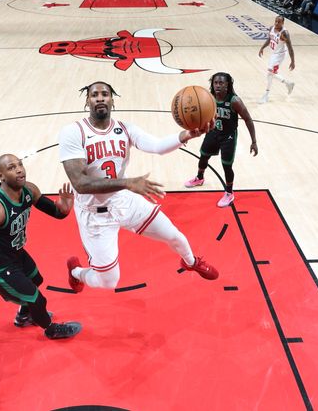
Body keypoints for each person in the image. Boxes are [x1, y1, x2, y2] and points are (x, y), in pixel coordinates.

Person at [58, 81, 219, 293]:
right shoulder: (73, 132)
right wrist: (128, 182)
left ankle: (190, 262)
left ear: (112, 100)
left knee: (174, 235)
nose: (100, 98)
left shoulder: (125, 129)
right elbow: (80, 183)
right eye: (94, 94)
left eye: (105, 94)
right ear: (87, 100)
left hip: (123, 201)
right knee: (109, 283)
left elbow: (157, 146)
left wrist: (187, 135)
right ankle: (76, 272)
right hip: (95, 216)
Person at [0, 154, 82, 341]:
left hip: (14, 254)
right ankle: (51, 329)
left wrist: (64, 208)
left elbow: (56, 212)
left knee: (36, 279)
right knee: (38, 300)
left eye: (19, 164)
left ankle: (24, 316)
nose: (19, 169)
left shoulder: (29, 190)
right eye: (11, 167)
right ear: (1, 176)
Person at [184, 72, 258, 207]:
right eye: (215, 82)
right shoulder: (209, 98)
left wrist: (253, 141)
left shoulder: (234, 101)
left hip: (228, 136)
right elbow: (200, 116)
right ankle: (199, 178)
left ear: (227, 85)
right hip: (213, 132)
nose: (217, 85)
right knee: (203, 156)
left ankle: (229, 193)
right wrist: (189, 132)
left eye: (221, 83)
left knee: (227, 165)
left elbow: (248, 119)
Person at [257, 14, 296, 103]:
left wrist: (292, 61)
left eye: (279, 22)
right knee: (271, 73)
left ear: (283, 23)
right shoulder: (271, 28)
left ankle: (266, 95)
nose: (276, 23)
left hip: (280, 55)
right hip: (274, 54)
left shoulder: (284, 33)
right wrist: (262, 47)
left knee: (270, 73)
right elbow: (269, 39)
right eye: (276, 21)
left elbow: (290, 48)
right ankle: (288, 84)